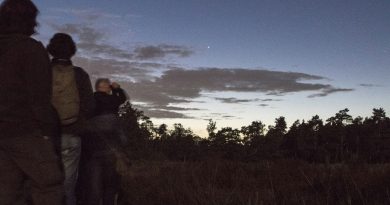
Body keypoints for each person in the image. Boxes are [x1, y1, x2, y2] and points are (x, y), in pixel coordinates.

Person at [0, 0, 64, 205]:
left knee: (8, 190)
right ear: (30, 21)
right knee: (49, 185)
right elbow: (39, 98)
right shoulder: (31, 49)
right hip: (24, 130)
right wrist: (48, 132)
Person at [47, 33, 95, 205]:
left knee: (45, 187)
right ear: (72, 51)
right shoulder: (80, 74)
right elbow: (89, 106)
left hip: (45, 137)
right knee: (68, 188)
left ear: (51, 49)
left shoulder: (42, 71)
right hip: (71, 136)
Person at [81, 78, 127, 205]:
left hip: (92, 150)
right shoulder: (112, 101)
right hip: (111, 150)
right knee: (110, 185)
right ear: (107, 88)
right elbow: (122, 99)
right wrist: (117, 88)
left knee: (94, 187)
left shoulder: (89, 99)